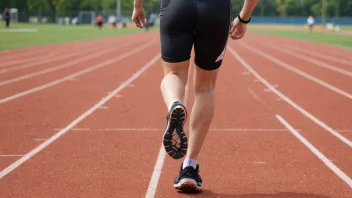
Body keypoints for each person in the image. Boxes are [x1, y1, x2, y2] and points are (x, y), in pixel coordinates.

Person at [132, 0, 258, 193]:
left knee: (173, 75)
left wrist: (137, 5)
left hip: (177, 6)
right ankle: (189, 166)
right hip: (215, 10)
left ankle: (175, 102)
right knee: (205, 87)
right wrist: (244, 17)